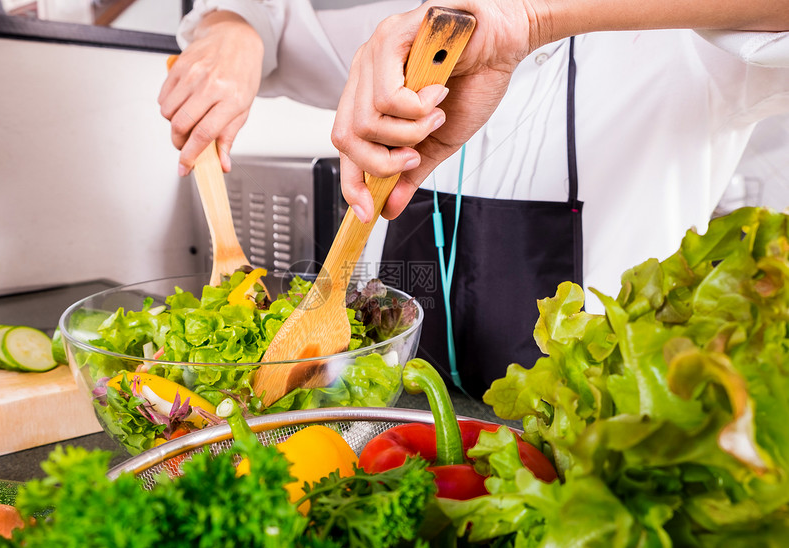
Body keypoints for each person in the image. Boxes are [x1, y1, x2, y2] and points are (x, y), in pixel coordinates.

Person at [159, 1, 789, 398]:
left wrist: (530, 20)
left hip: (582, 446)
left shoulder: (685, 40)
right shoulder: (422, 24)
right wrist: (234, 30)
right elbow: (276, 21)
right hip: (404, 417)